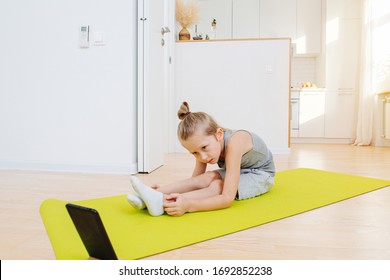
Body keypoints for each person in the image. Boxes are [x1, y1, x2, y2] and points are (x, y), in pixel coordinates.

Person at [126, 101, 275, 217]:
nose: (202, 157)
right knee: (208, 177)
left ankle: (162, 203)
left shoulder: (235, 144)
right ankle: (150, 196)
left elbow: (227, 198)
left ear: (219, 134)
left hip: (261, 174)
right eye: (195, 153)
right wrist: (163, 190)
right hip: (242, 169)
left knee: (218, 186)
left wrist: (188, 205)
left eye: (204, 148)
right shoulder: (202, 146)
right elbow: (197, 180)